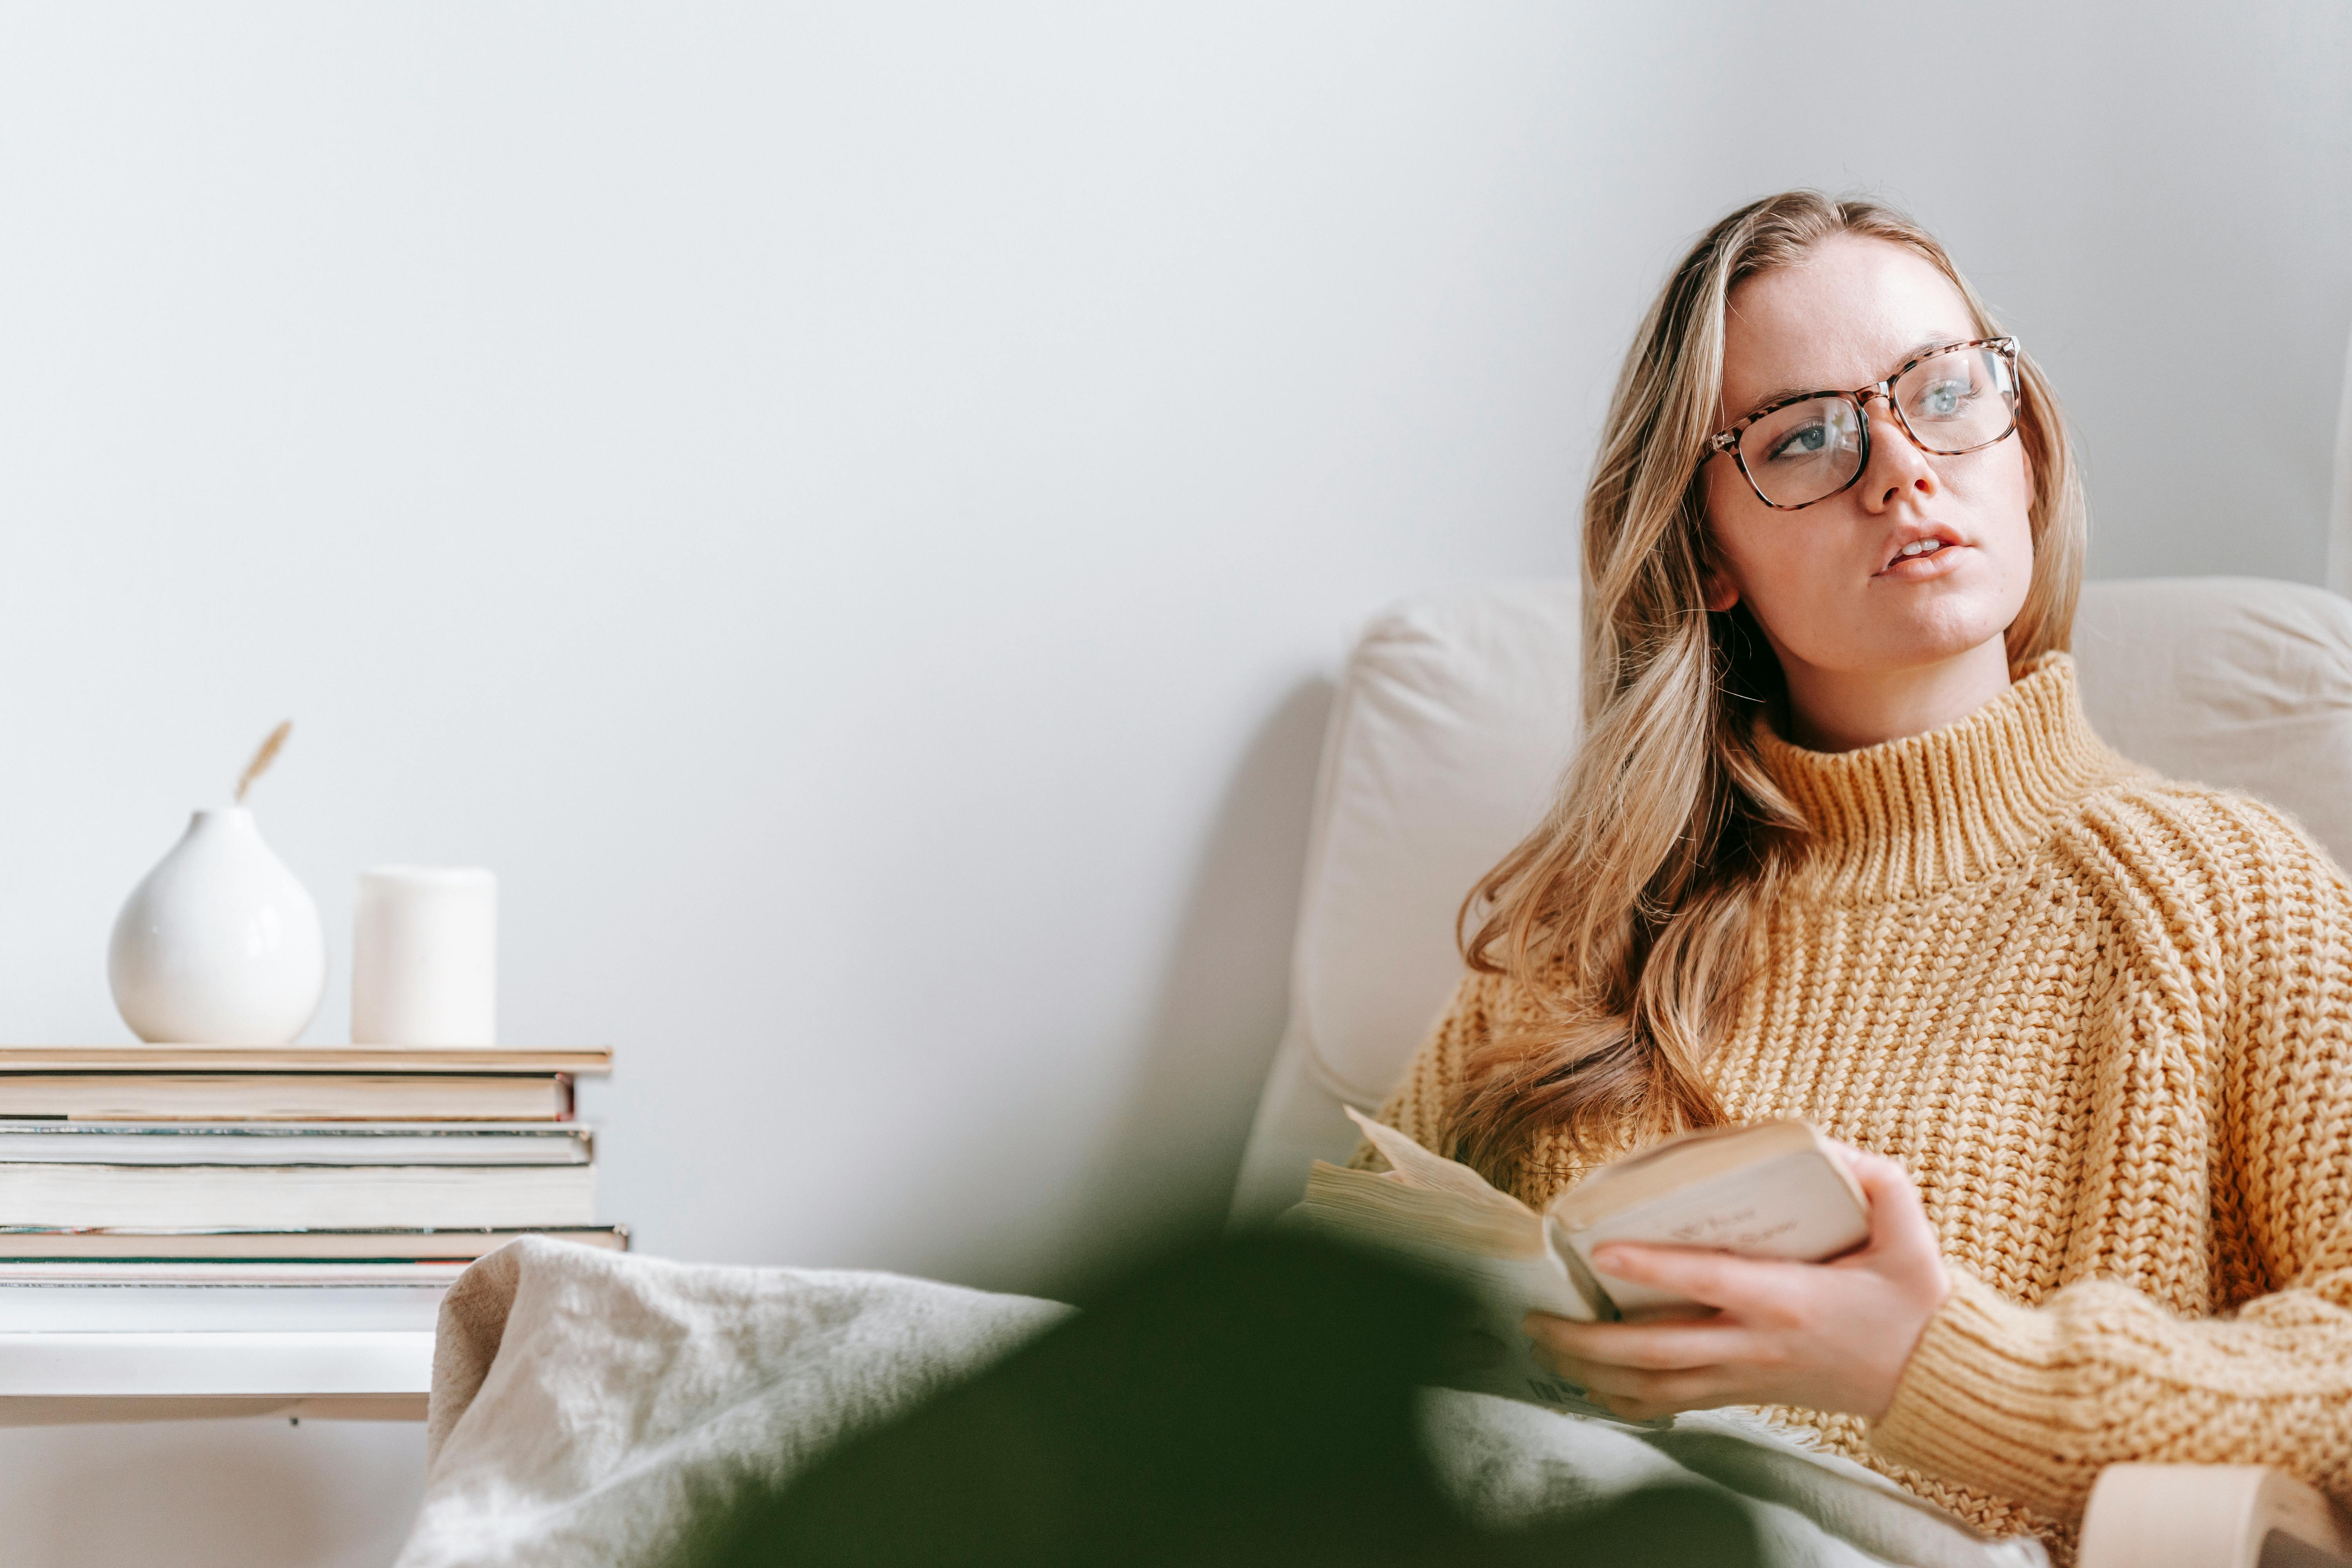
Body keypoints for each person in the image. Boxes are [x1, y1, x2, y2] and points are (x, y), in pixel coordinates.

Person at [1361, 189, 2352, 1552]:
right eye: (1808, 437)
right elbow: (1308, 1343)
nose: (1901, 468)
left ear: (2028, 453)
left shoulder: (2226, 896)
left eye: (1946, 392)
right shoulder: (1586, 943)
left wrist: (1925, 1364)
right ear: (1707, 554)